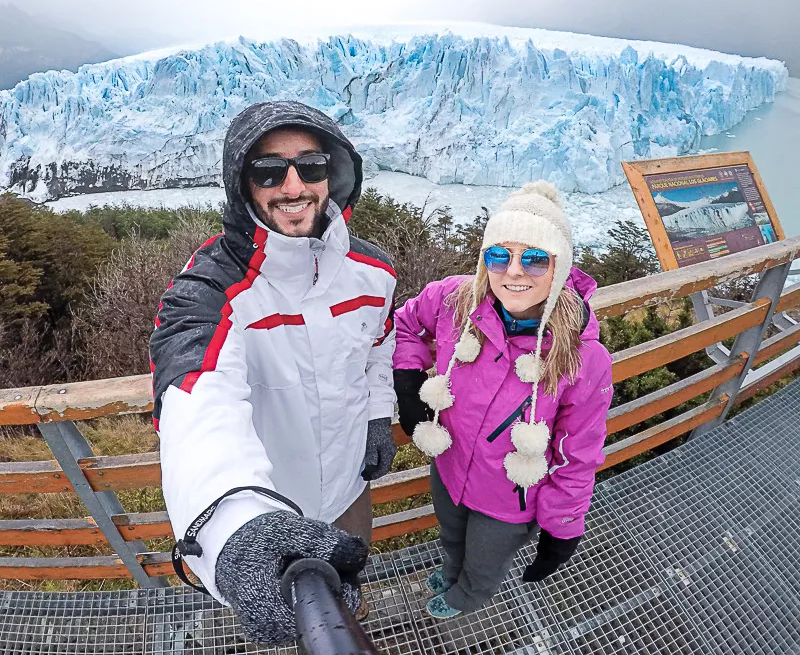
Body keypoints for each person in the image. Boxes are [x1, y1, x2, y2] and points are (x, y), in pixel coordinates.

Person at [149, 101, 398, 644]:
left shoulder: (373, 272)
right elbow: (197, 394)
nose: (293, 186)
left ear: (334, 173)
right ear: (242, 184)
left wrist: (379, 416)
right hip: (269, 504)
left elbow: (379, 344)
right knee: (287, 624)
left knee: (350, 603)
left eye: (311, 166)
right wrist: (236, 520)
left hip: (348, 488)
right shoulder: (210, 290)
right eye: (268, 171)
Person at [393, 181, 613, 619]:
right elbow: (405, 322)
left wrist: (563, 528)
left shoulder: (582, 357)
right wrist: (408, 381)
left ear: (560, 267)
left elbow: (578, 455)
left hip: (510, 498)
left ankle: (469, 595)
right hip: (450, 466)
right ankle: (452, 570)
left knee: (486, 559)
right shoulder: (455, 300)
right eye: (499, 255)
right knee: (451, 536)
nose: (513, 271)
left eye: (534, 258)